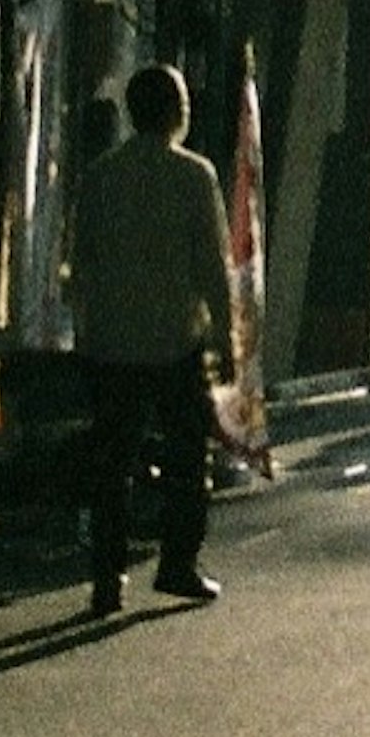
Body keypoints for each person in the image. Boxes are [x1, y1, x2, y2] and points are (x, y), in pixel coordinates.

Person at [70, 59, 237, 616]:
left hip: (111, 341)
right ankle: (177, 564)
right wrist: (227, 339)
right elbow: (213, 265)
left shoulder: (99, 176)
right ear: (173, 111)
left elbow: (82, 261)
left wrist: (86, 328)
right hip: (174, 340)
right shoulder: (194, 175)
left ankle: (107, 577)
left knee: (111, 464)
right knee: (188, 459)